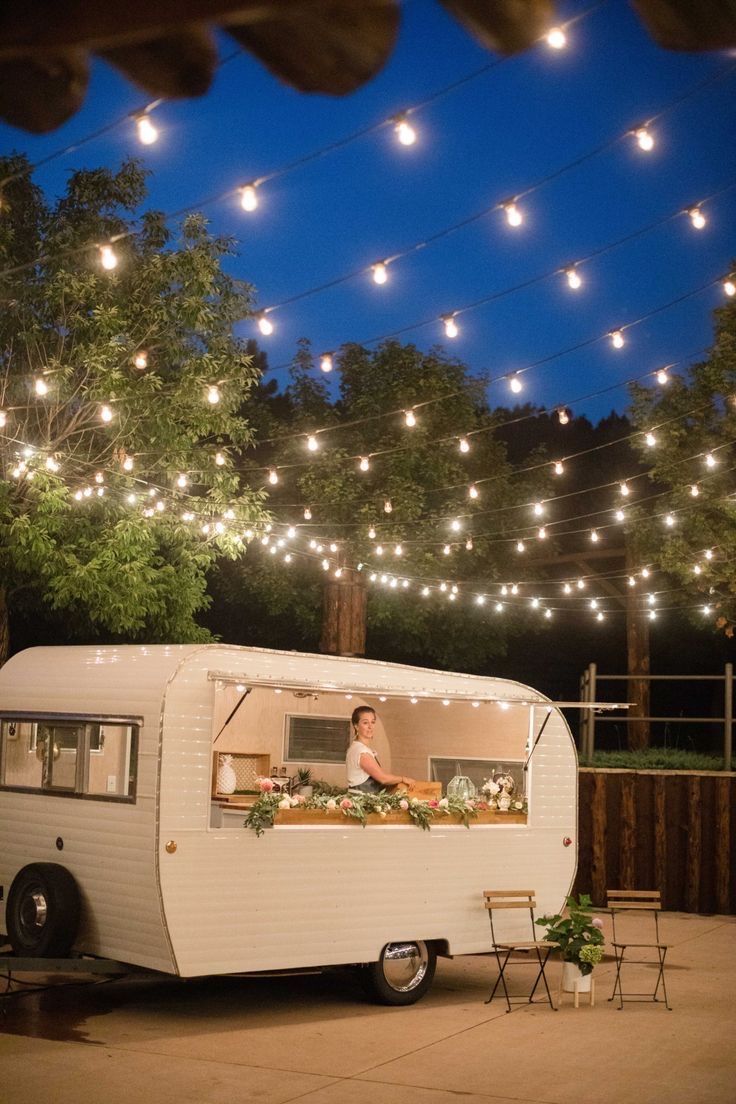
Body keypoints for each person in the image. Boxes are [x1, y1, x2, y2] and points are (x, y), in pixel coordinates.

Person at [346, 705, 416, 794]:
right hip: (363, 802)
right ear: (356, 726)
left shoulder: (355, 748)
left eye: (373, 722)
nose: (370, 727)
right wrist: (403, 779)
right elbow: (383, 778)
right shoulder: (361, 751)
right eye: (365, 723)